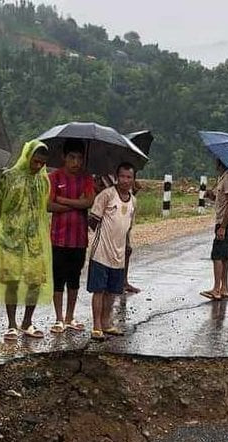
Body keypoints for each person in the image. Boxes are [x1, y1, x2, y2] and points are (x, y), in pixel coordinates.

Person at [0, 140, 53, 341]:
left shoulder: (43, 181)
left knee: (35, 280)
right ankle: (11, 324)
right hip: (10, 238)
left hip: (35, 239)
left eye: (42, 163)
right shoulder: (9, 177)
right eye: (35, 161)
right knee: (12, 281)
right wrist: (12, 225)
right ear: (27, 157)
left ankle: (27, 322)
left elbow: (43, 207)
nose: (38, 166)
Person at [47, 139, 96, 334]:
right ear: (64, 157)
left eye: (79, 158)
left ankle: (70, 316)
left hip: (79, 238)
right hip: (58, 238)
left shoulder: (86, 178)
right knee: (58, 279)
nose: (76, 162)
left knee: (74, 279)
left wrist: (63, 201)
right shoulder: (54, 177)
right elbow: (48, 205)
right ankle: (58, 318)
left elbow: (89, 202)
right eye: (72, 158)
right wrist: (77, 202)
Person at [86, 162, 137, 341]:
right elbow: (92, 222)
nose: (125, 180)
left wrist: (127, 246)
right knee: (98, 290)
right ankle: (96, 326)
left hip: (119, 253)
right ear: (117, 177)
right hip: (101, 251)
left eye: (129, 177)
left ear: (133, 179)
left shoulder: (133, 201)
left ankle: (107, 323)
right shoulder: (106, 195)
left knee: (112, 291)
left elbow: (128, 226)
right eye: (122, 176)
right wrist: (92, 244)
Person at [201, 158, 228, 300]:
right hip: (227, 223)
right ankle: (224, 288)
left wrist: (222, 227)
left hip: (225, 223)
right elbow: (223, 200)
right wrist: (212, 196)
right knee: (224, 256)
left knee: (217, 255)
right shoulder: (224, 178)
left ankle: (216, 289)